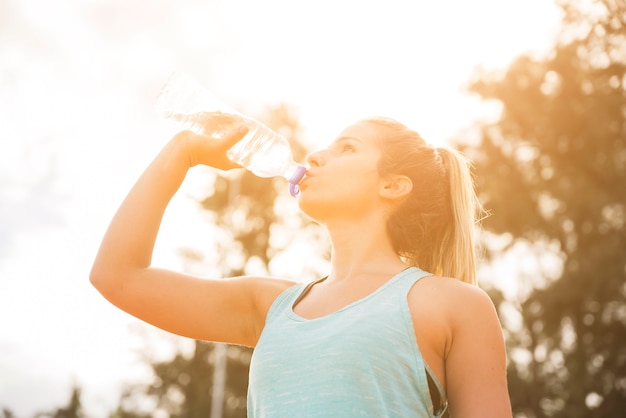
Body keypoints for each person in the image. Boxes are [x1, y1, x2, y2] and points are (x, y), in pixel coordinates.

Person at [90, 116, 512, 417]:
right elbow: (118, 276)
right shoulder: (269, 305)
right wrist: (182, 151)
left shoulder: (453, 305)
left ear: (393, 185)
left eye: (347, 148)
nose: (316, 155)